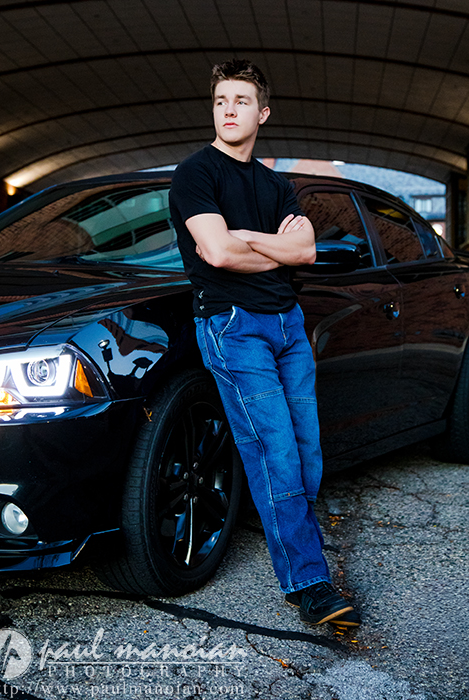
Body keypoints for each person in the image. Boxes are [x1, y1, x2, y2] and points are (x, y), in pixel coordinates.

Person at [169, 58, 360, 627]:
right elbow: (218, 254)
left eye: (242, 101)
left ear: (263, 113)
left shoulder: (277, 185)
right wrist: (264, 247)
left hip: (287, 325)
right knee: (274, 451)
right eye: (221, 101)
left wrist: (245, 236)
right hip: (233, 325)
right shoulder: (195, 174)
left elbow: (304, 254)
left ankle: (289, 534)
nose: (230, 110)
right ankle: (309, 583)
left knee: (306, 452)